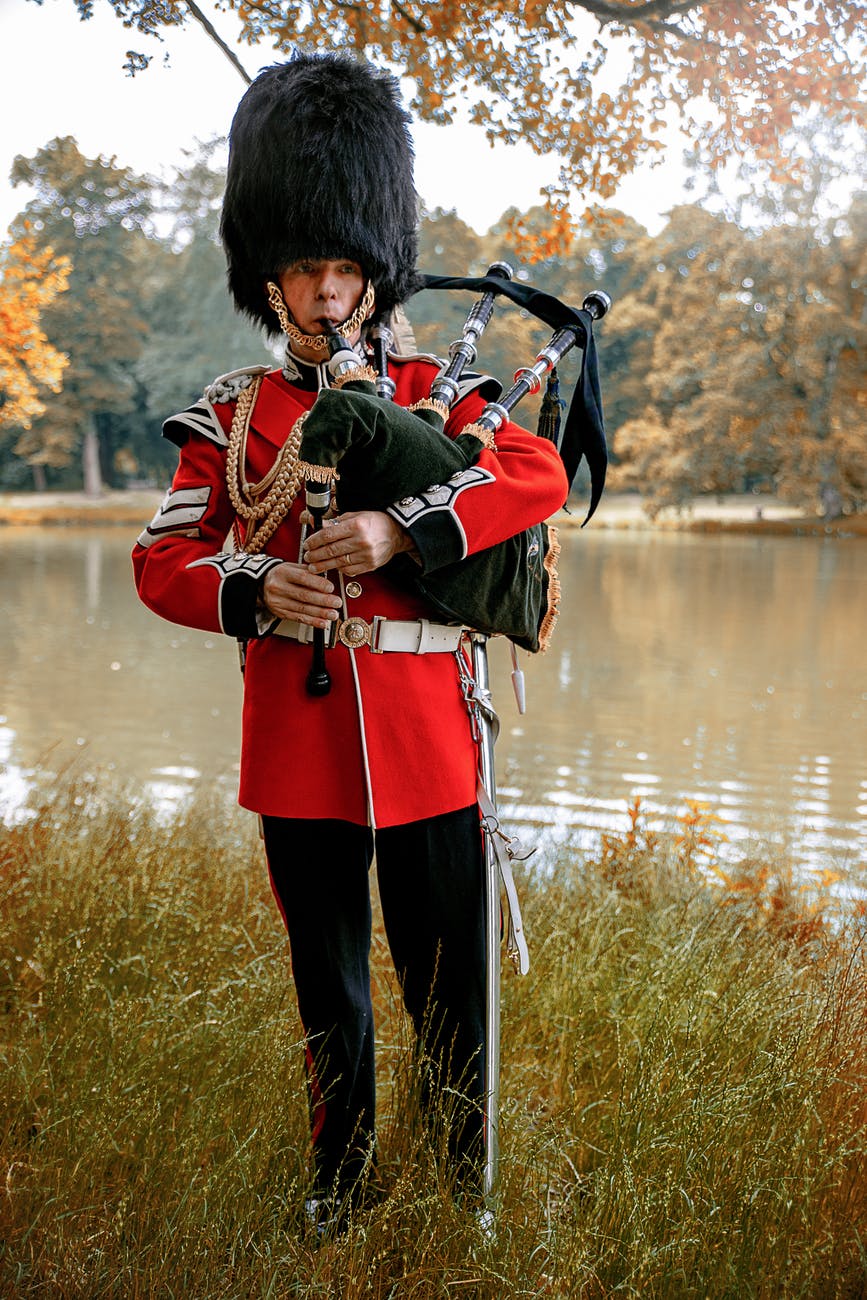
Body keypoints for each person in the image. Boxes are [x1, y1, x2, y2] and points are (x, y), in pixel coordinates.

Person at [132, 53, 568, 1232]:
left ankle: (458, 1179)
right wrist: (257, 584)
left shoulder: (439, 389)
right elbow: (161, 561)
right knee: (330, 992)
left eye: (347, 267)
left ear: (376, 273)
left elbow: (533, 471)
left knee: (448, 986)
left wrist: (398, 526)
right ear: (268, 279)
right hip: (301, 753)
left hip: (431, 746)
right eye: (307, 267)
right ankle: (341, 1181)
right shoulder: (231, 418)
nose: (330, 291)